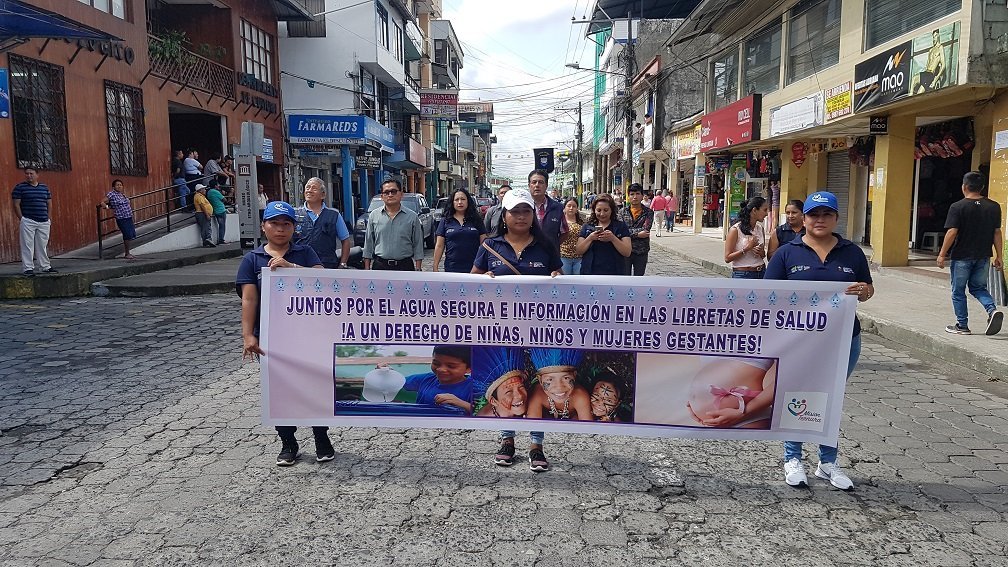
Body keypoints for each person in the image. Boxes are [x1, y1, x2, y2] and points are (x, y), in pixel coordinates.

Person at [766, 191, 874, 490]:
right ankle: (793, 458)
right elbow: (767, 297)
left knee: (831, 396)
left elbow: (867, 288)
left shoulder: (852, 252)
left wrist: (864, 292)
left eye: (827, 214)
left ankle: (828, 462)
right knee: (798, 394)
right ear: (804, 219)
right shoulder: (787, 253)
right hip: (798, 341)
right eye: (814, 214)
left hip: (844, 338)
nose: (820, 220)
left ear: (836, 218)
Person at [236, 201, 335, 466]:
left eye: (286, 224)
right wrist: (248, 336)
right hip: (272, 338)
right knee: (280, 390)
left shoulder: (305, 252)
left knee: (314, 386)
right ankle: (288, 443)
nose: (280, 229)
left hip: (309, 336)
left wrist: (291, 268)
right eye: (274, 223)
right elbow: (249, 300)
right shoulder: (252, 259)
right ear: (263, 226)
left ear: (293, 228)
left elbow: (322, 279)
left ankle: (321, 438)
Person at [472, 188, 562, 472]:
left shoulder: (545, 246)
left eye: (526, 211)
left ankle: (537, 445)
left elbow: (561, 281)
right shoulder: (490, 246)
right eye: (515, 212)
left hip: (539, 329)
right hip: (501, 328)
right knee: (508, 384)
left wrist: (558, 278)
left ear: (533, 215)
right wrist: (483, 280)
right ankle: (507, 439)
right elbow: (471, 281)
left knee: (539, 382)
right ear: (504, 216)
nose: (521, 216)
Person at [937, 171, 1004, 335]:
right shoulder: (994, 206)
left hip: (962, 256)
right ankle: (992, 310)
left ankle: (962, 325)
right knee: (978, 287)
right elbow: (997, 232)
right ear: (982, 187)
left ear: (964, 187)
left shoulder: (957, 207)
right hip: (983, 256)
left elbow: (952, 232)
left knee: (958, 291)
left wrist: (942, 254)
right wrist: (999, 256)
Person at [378, 346, 473, 413]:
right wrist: (386, 372)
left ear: (469, 369)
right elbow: (397, 381)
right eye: (436, 363)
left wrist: (460, 403)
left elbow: (481, 413)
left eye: (451, 366)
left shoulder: (474, 387)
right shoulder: (426, 379)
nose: (441, 369)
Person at [363, 178, 424, 271]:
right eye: (386, 192)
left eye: (394, 191)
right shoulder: (374, 216)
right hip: (380, 266)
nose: (390, 195)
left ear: (401, 194)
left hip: (405, 266)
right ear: (382, 196)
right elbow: (368, 243)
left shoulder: (412, 217)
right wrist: (367, 268)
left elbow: (418, 244)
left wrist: (418, 268)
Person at [294, 177, 351, 269]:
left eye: (314, 188)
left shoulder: (334, 215)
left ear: (323, 195)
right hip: (299, 265)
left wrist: (343, 264)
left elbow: (345, 240)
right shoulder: (295, 214)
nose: (309, 191)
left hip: (327, 265)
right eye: (307, 187)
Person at [526, 348, 592, 421]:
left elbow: (587, 426)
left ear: (574, 375)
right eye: (550, 380)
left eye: (566, 378)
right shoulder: (537, 394)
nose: (559, 387)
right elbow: (533, 425)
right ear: (540, 380)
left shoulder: (580, 396)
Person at [12, 167, 56, 276]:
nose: (29, 176)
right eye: (27, 173)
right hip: (28, 220)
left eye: (31, 173)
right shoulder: (20, 188)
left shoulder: (44, 188)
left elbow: (49, 203)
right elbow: (16, 204)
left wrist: (48, 218)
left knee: (42, 244)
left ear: (37, 175)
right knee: (27, 244)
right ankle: (28, 268)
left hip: (43, 220)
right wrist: (22, 218)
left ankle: (45, 266)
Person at [576, 194, 632, 276]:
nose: (602, 214)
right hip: (590, 272)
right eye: (599, 210)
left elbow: (627, 252)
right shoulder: (587, 226)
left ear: (611, 210)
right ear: (594, 210)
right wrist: (590, 238)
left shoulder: (620, 226)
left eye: (606, 210)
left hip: (614, 273)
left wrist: (613, 238)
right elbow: (578, 251)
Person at [433, 188, 487, 272]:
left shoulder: (476, 220)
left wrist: (485, 265)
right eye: (456, 200)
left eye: (463, 199)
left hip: (474, 268)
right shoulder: (445, 220)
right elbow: (439, 245)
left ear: (468, 201)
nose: (460, 202)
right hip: (451, 268)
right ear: (452, 202)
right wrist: (435, 266)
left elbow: (484, 245)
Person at [474, 347, 528, 419]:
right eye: (509, 392)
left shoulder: (533, 401)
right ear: (493, 401)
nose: (519, 395)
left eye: (521, 387)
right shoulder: (484, 420)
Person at [724, 196, 769, 279]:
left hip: (761, 271)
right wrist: (747, 248)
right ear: (754, 210)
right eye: (765, 210)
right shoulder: (735, 230)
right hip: (742, 274)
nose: (767, 214)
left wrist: (760, 252)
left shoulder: (760, 228)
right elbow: (727, 258)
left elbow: (763, 255)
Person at [527, 170, 567, 250]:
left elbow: (565, 232)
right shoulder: (523, 206)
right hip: (528, 253)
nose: (537, 185)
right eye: (534, 182)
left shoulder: (558, 207)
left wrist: (552, 245)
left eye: (541, 182)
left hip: (551, 255)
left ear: (546, 185)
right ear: (529, 185)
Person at [619, 183, 654, 276]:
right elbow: (620, 231)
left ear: (642, 196)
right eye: (632, 194)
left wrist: (628, 232)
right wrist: (638, 234)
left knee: (639, 278)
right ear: (628, 196)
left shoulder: (648, 212)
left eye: (638, 194)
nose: (635, 197)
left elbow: (646, 229)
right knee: (624, 277)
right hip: (625, 249)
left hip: (641, 250)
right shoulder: (622, 212)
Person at [102, 179, 137, 260]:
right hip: (121, 218)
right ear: (113, 187)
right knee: (127, 234)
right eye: (117, 185)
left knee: (131, 234)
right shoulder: (111, 194)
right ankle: (127, 253)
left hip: (128, 216)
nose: (119, 186)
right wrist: (107, 207)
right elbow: (102, 202)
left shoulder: (122, 195)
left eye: (120, 185)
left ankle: (128, 253)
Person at [911, 29, 946, 94]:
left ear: (938, 36)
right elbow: (927, 64)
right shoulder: (931, 50)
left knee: (919, 94)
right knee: (914, 79)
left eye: (935, 36)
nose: (934, 39)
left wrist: (936, 79)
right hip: (926, 72)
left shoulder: (940, 48)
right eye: (933, 37)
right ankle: (910, 96)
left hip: (931, 75)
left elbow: (943, 65)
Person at [560, 197, 584, 275]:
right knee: (565, 280)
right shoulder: (559, 222)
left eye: (574, 206)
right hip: (564, 257)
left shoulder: (582, 223)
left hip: (579, 258)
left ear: (577, 209)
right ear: (564, 208)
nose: (571, 208)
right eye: (569, 206)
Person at [206, 181, 228, 245]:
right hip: (221, 210)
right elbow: (224, 199)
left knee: (220, 224)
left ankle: (221, 240)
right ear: (215, 185)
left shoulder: (209, 192)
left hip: (215, 210)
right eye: (217, 185)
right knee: (222, 225)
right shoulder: (216, 192)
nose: (218, 186)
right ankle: (221, 240)